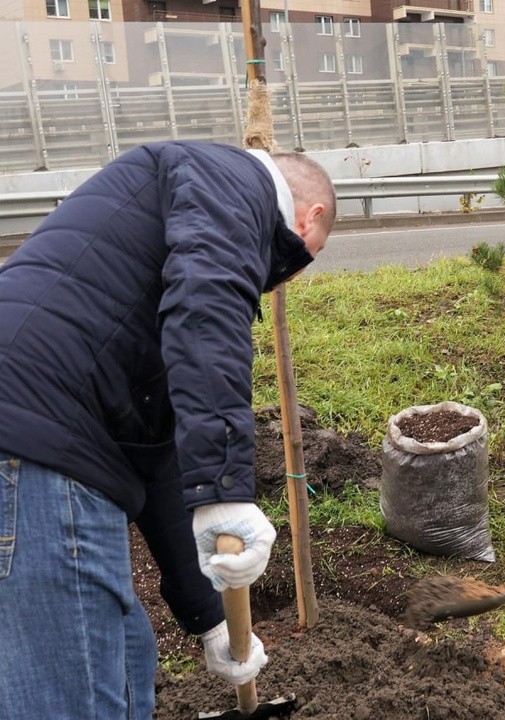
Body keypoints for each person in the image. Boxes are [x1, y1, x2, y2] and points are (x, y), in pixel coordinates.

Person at [0, 141, 337, 717]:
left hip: (49, 435)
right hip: (33, 440)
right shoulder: (228, 180)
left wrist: (211, 621)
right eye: (307, 255)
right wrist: (228, 488)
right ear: (313, 219)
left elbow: (154, 455)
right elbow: (207, 306)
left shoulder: (148, 266)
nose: (283, 276)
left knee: (127, 660)